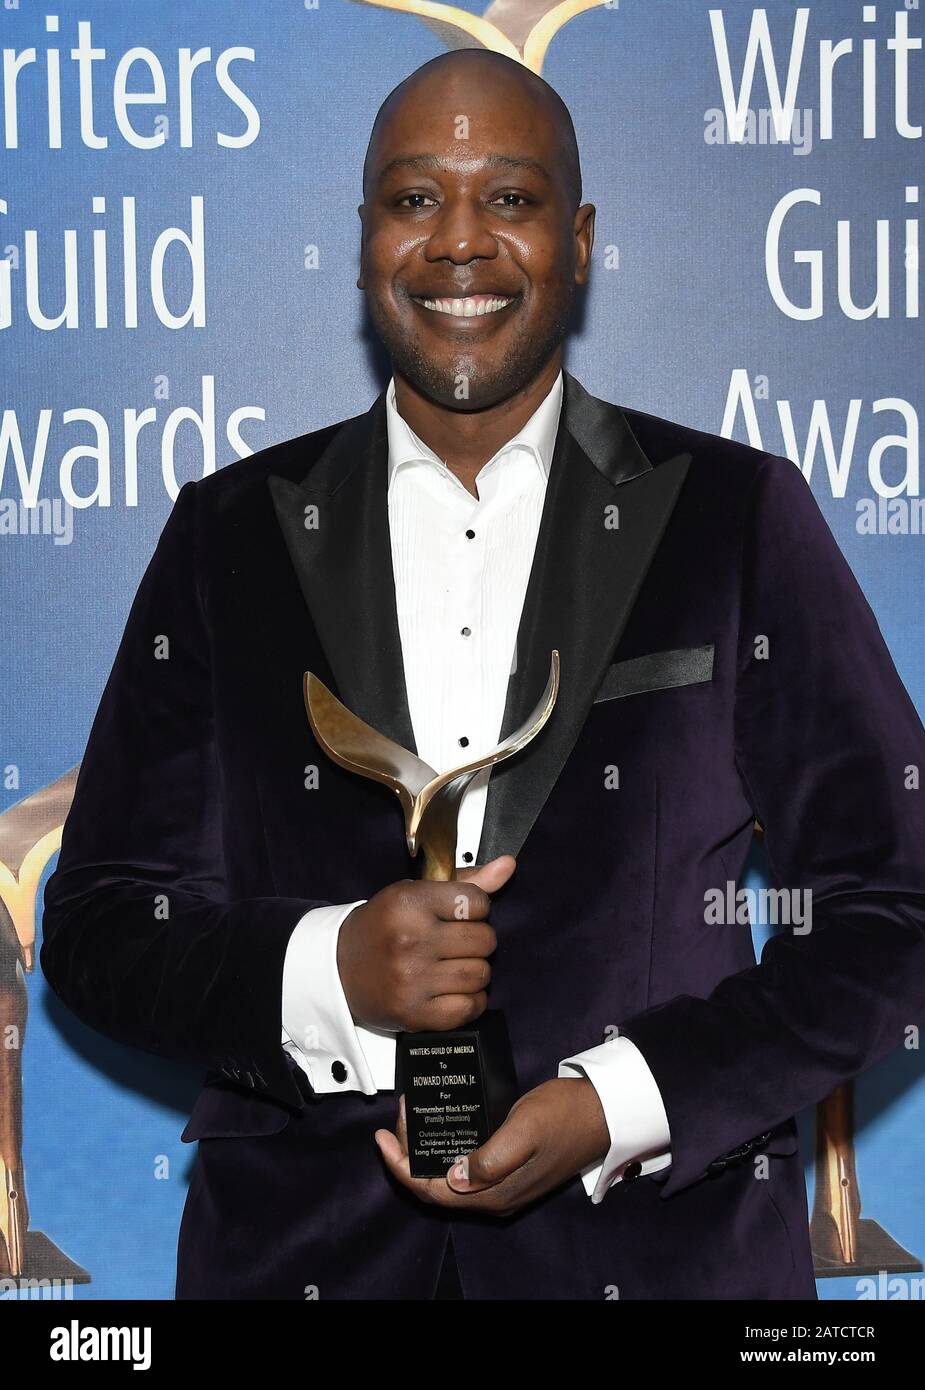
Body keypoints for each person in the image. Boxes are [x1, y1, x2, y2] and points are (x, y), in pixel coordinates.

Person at [41, 49, 925, 1301]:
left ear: (578, 239)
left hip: (665, 1269)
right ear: (364, 241)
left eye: (507, 199)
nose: (459, 242)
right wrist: (329, 970)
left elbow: (895, 904)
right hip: (299, 1267)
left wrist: (618, 1102)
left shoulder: (733, 518)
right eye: (415, 199)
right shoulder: (225, 536)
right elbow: (100, 922)